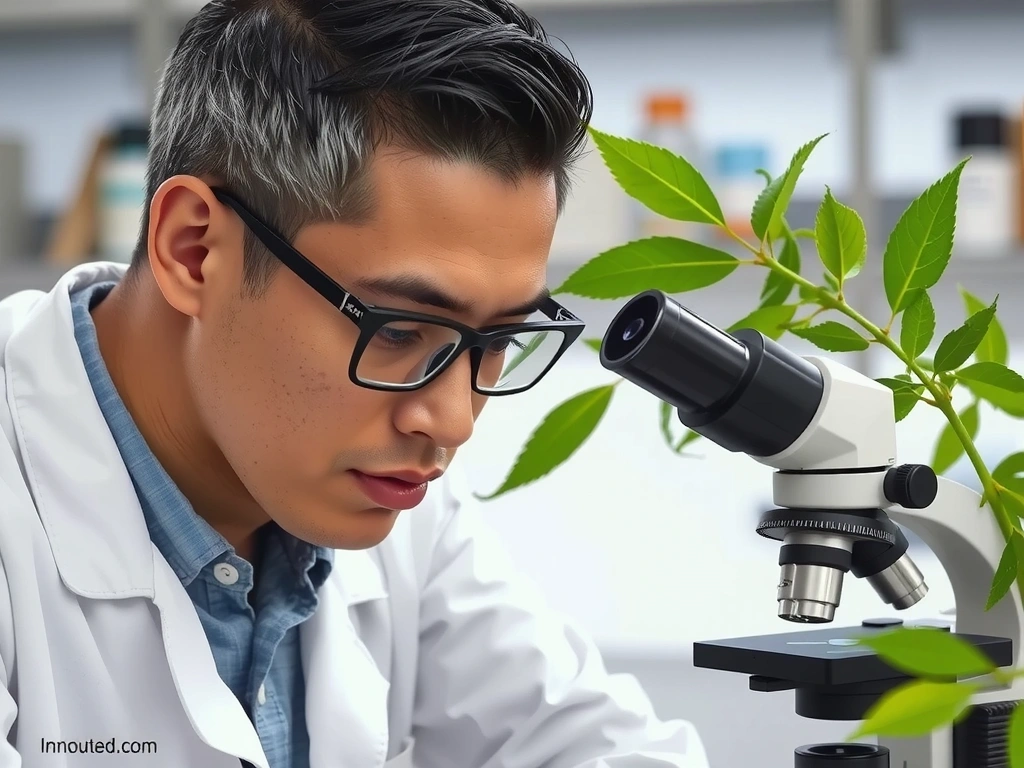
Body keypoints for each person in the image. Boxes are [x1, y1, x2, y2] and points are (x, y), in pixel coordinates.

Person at [0, 1, 709, 766]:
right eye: (400, 331)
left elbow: (590, 743)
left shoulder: (390, 498)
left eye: (500, 339)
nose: (453, 420)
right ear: (194, 249)